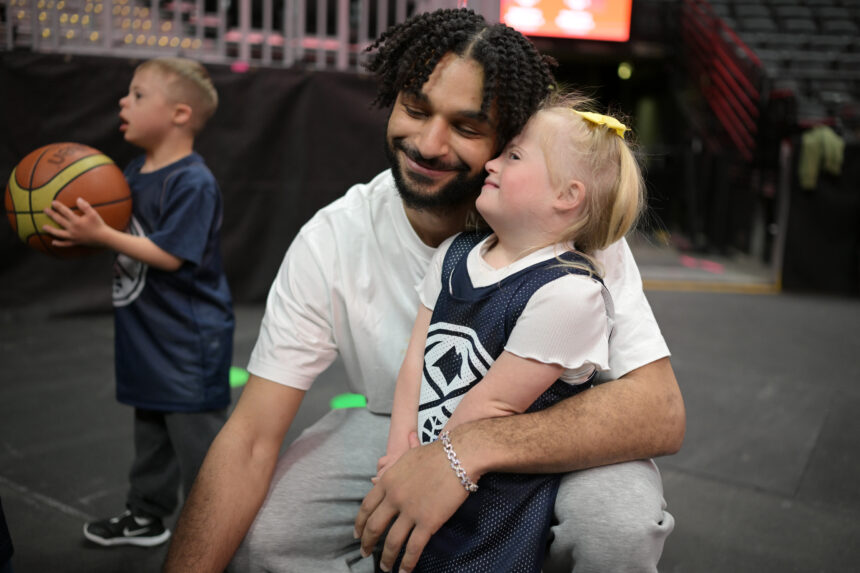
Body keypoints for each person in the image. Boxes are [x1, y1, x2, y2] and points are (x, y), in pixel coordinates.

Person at [165, 8, 685, 573]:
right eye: (415, 109)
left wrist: (462, 455)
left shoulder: (567, 235)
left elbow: (659, 412)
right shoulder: (336, 238)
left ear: (508, 141)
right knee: (273, 540)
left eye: (465, 127)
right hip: (405, 419)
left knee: (617, 525)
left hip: (559, 430)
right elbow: (250, 438)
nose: (428, 143)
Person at [378, 94, 645, 572]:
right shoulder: (455, 253)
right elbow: (415, 360)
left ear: (568, 195)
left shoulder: (568, 293)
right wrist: (400, 451)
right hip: (428, 461)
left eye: (515, 156)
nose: (493, 162)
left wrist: (427, 471)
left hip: (491, 507)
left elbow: (492, 409)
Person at [42, 57, 234, 548]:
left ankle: (214, 527)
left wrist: (101, 234)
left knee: (197, 444)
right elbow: (121, 232)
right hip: (145, 332)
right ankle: (147, 515)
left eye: (138, 94)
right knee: (150, 432)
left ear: (179, 114)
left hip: (188, 340)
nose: (123, 102)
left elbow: (170, 255)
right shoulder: (132, 171)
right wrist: (79, 232)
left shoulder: (192, 181)